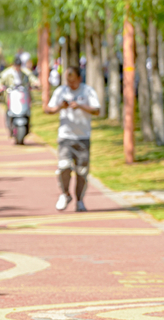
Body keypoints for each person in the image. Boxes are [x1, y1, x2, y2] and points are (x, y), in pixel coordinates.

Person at [44, 66, 100, 212]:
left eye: (73, 81)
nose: (71, 84)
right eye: (69, 81)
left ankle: (80, 200)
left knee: (82, 172)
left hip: (83, 137)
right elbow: (48, 109)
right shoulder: (61, 91)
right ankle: (65, 194)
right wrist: (59, 107)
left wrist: (80, 106)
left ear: (79, 79)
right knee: (63, 166)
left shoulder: (87, 91)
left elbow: (96, 110)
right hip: (65, 137)